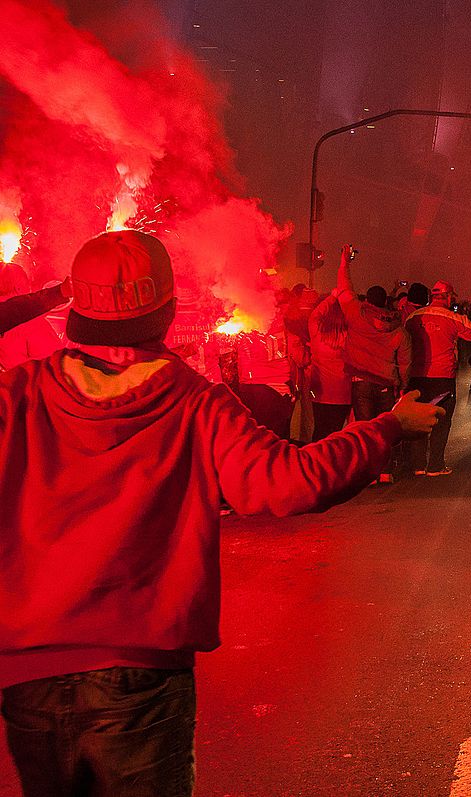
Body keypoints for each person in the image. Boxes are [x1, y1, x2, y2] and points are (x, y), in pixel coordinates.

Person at [0, 230, 443, 797]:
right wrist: (388, 427)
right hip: (141, 676)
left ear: (74, 310)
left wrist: (42, 298)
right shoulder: (193, 402)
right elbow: (288, 483)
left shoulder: (20, 394)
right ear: (165, 310)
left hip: (29, 677)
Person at [334, 246, 412, 481]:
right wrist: (403, 384)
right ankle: (386, 472)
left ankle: (368, 473)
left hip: (361, 382)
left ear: (367, 299)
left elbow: (344, 288)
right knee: (383, 430)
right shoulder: (397, 326)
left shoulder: (356, 313)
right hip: (387, 383)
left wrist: (344, 263)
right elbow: (406, 360)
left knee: (365, 430)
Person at [404, 279, 471, 476]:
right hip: (442, 378)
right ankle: (435, 466)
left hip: (416, 378)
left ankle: (418, 466)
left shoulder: (412, 318)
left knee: (418, 421)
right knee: (441, 422)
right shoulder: (452, 318)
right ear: (447, 297)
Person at [308, 291, 354, 440]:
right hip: (343, 393)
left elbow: (315, 314)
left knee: (319, 430)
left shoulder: (316, 330)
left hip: (319, 392)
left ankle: (314, 461)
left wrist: (332, 297)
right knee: (335, 433)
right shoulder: (350, 336)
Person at [0, 279, 70, 339]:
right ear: (17, 288)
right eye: (26, 282)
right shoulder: (36, 325)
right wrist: (59, 292)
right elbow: (16, 310)